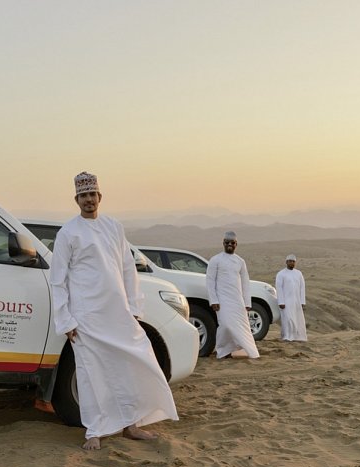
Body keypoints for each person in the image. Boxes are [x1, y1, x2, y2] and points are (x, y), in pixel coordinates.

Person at [49, 171, 178, 450]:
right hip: (86, 316)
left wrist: (134, 308)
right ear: (76, 199)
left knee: (130, 364)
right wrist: (66, 319)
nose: (88, 200)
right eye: (83, 196)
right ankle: (94, 430)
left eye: (92, 195)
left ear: (100, 197)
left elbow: (127, 269)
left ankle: (131, 425)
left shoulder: (114, 227)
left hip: (118, 313)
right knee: (90, 371)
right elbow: (57, 279)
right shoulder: (68, 233)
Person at [205, 231, 260, 359]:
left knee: (243, 327)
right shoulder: (215, 260)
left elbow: (245, 283)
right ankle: (223, 351)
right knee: (225, 325)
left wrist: (247, 303)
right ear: (223, 243)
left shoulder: (240, 261)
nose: (230, 245)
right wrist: (213, 300)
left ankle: (247, 351)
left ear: (236, 244)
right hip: (222, 300)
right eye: (227, 242)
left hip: (237, 300)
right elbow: (210, 281)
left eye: (232, 243)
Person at [275, 254, 307, 341]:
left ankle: (298, 337)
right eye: (290, 261)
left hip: (297, 301)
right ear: (286, 262)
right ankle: (287, 336)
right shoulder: (281, 274)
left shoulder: (299, 273)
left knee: (297, 319)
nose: (291, 263)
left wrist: (302, 301)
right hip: (286, 301)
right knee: (288, 319)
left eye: (293, 261)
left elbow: (302, 287)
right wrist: (281, 302)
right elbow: (279, 288)